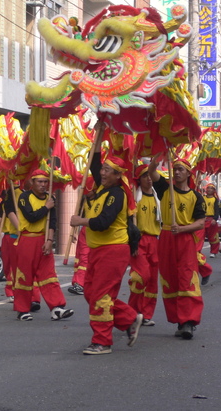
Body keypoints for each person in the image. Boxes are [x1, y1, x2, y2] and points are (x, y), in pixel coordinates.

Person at [70, 150, 142, 355]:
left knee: (101, 295)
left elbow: (103, 222)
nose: (102, 173)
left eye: (107, 170)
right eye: (102, 169)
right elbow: (93, 160)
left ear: (118, 175)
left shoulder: (117, 194)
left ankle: (102, 341)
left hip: (113, 250)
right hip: (97, 250)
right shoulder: (101, 189)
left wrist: (80, 221)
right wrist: (99, 131)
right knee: (90, 293)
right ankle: (128, 318)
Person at [148, 155, 205, 340]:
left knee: (187, 278)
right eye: (176, 169)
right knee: (170, 277)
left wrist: (181, 229)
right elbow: (151, 173)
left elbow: (200, 223)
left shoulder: (196, 196)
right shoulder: (165, 189)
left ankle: (188, 321)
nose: (178, 172)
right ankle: (179, 320)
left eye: (181, 169)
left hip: (185, 240)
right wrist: (155, 161)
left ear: (189, 173)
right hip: (166, 238)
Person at [13, 169, 73, 322]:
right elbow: (31, 217)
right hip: (27, 240)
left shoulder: (50, 197)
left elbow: (53, 221)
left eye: (45, 182)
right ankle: (22, 309)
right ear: (32, 183)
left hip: (43, 240)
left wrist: (49, 241)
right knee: (25, 276)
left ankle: (56, 307)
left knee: (49, 275)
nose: (43, 185)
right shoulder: (24, 197)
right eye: (39, 181)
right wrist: (46, 207)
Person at [128, 164, 160, 326]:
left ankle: (146, 314)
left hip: (155, 241)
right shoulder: (134, 198)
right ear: (139, 180)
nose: (149, 178)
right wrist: (132, 243)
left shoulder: (157, 197)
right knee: (140, 276)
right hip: (139, 241)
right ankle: (132, 311)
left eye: (150, 175)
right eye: (145, 176)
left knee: (153, 280)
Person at [68, 226, 89, 295]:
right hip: (85, 227)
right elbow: (78, 217)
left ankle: (80, 283)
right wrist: (75, 231)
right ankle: (78, 282)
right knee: (80, 257)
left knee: (85, 257)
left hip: (93, 227)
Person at [202, 183, 221, 258]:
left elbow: (217, 210)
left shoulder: (215, 200)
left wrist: (215, 219)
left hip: (211, 220)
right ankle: (198, 251)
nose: (209, 189)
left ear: (214, 190)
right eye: (208, 188)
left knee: (213, 237)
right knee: (199, 237)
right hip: (203, 220)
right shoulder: (202, 198)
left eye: (211, 188)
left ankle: (213, 251)